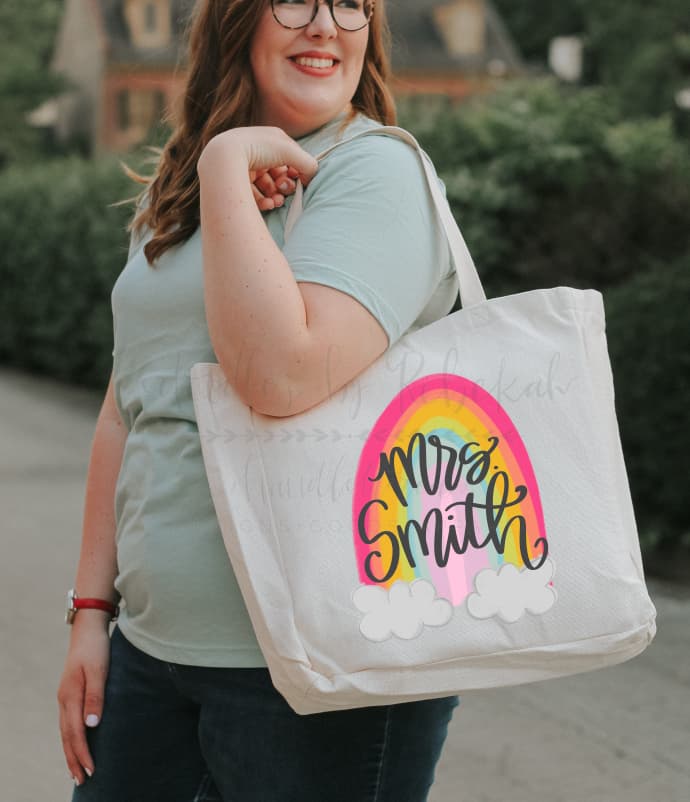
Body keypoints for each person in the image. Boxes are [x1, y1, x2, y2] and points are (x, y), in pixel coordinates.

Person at [57, 0, 461, 799]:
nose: (325, 24)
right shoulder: (177, 192)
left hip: (317, 674)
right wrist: (90, 613)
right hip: (151, 657)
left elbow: (282, 376)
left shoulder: (374, 170)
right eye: (293, 0)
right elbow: (126, 407)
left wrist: (224, 166)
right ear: (236, 22)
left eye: (351, 3)